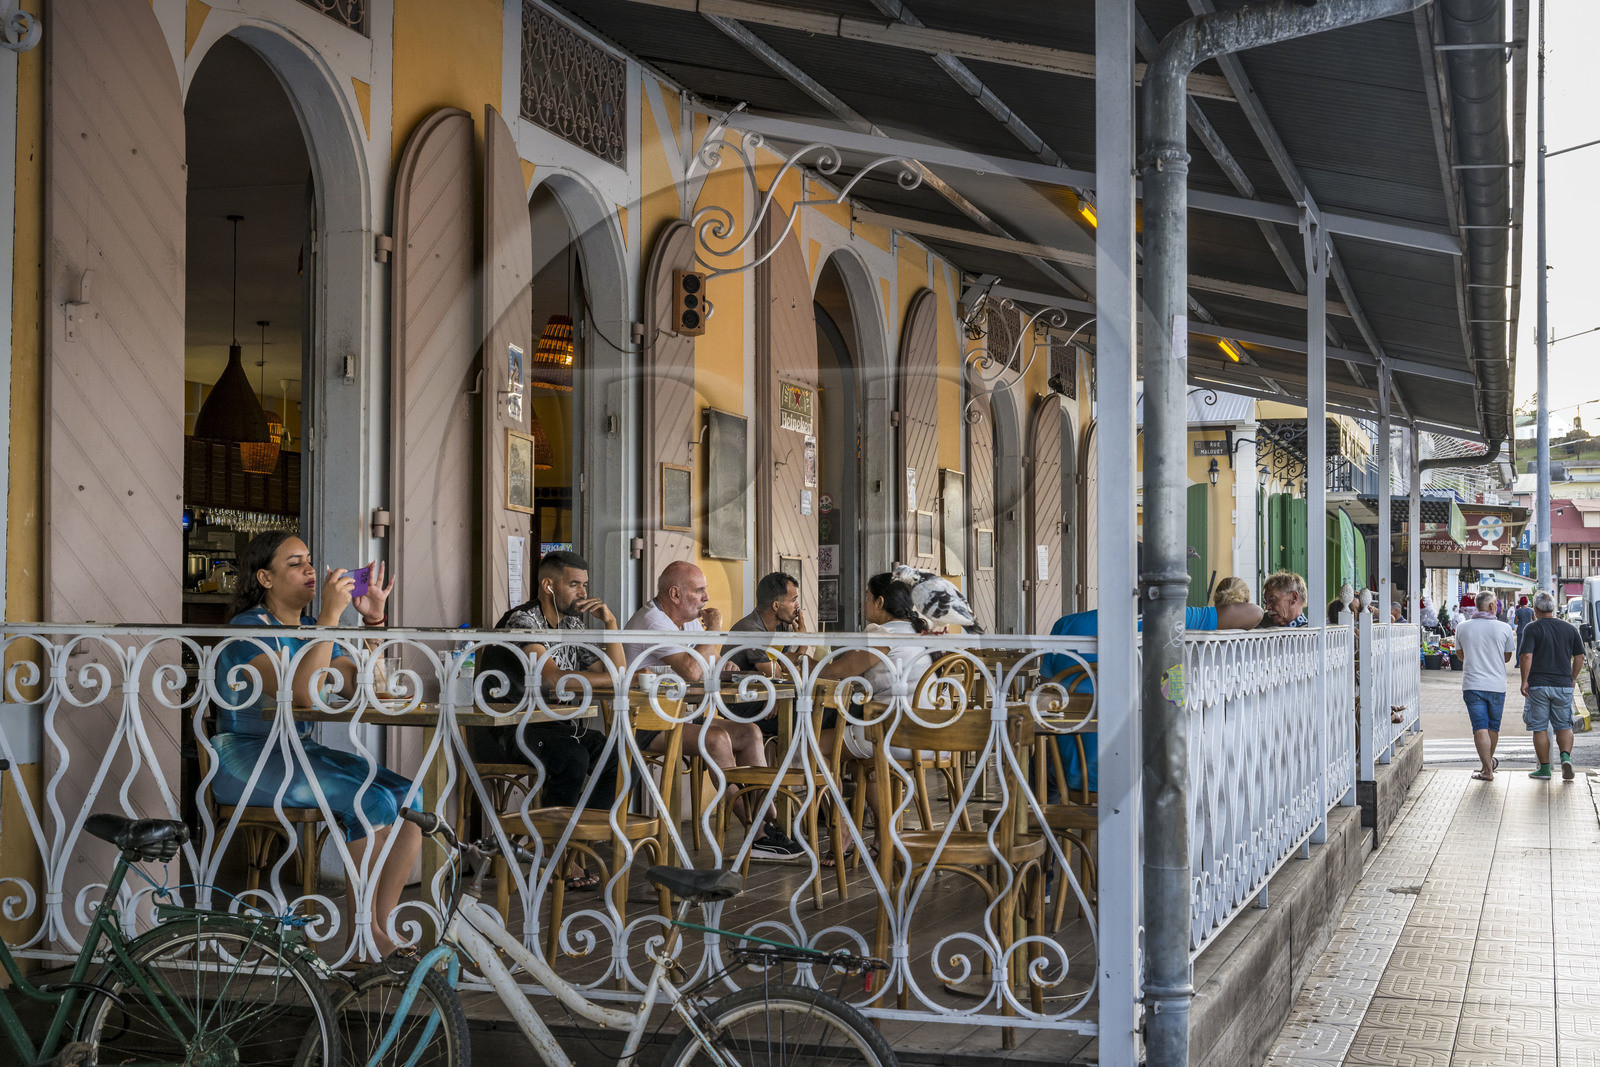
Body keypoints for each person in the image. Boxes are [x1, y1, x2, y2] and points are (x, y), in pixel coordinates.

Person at [212, 532, 421, 959]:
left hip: (299, 753)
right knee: (370, 801)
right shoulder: (248, 630)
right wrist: (330, 616)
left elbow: (365, 686)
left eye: (309, 559)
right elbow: (303, 695)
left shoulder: (310, 628)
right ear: (265, 578)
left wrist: (373, 623)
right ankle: (362, 936)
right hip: (247, 758)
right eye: (295, 563)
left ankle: (377, 930)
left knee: (410, 799)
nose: (310, 569)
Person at [626, 562, 804, 861]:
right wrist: (715, 630)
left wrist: (722, 661)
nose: (706, 598)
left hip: (682, 715)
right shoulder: (653, 622)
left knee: (750, 732)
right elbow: (693, 671)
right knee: (717, 739)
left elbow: (715, 662)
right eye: (699, 591)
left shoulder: (688, 621)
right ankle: (758, 831)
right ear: (675, 594)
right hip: (644, 723)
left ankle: (764, 819)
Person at [472, 551, 622, 889]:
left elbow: (615, 670)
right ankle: (554, 856)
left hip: (549, 725)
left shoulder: (571, 624)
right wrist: (614, 679)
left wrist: (611, 624)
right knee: (573, 757)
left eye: (585, 585)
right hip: (507, 729)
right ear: (548, 585)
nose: (583, 593)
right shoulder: (523, 621)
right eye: (574, 585)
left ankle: (576, 846)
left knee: (611, 752)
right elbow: (553, 678)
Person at [1039, 590, 1272, 794]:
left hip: (1074, 776)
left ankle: (1052, 822)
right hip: (1146, 775)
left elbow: (1046, 695)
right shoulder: (1174, 620)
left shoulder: (1065, 625)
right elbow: (1254, 613)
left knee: (1039, 764)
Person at [815, 572, 938, 864]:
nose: (864, 604)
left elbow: (837, 672)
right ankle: (884, 837)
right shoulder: (919, 633)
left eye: (867, 598)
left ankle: (842, 828)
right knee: (860, 762)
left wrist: (804, 664)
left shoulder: (884, 635)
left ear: (880, 602)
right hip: (931, 735)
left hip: (895, 734)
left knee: (814, 745)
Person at [1519, 590, 1587, 781]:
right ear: (1553, 608)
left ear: (1535, 609)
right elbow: (1580, 657)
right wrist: (1573, 677)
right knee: (1564, 725)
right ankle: (1565, 758)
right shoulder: (1570, 629)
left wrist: (1524, 680)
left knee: (1540, 727)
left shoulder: (1532, 628)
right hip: (1563, 684)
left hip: (1538, 686)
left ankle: (1544, 769)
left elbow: (1526, 656)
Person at [1454, 590, 1516, 782]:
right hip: (1497, 686)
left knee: (1479, 727)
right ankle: (1487, 767)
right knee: (1493, 728)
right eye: (1496, 603)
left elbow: (1460, 656)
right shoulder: (1504, 628)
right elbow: (1507, 657)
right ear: (1491, 606)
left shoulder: (1462, 627)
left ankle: (1487, 768)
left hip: (1472, 685)